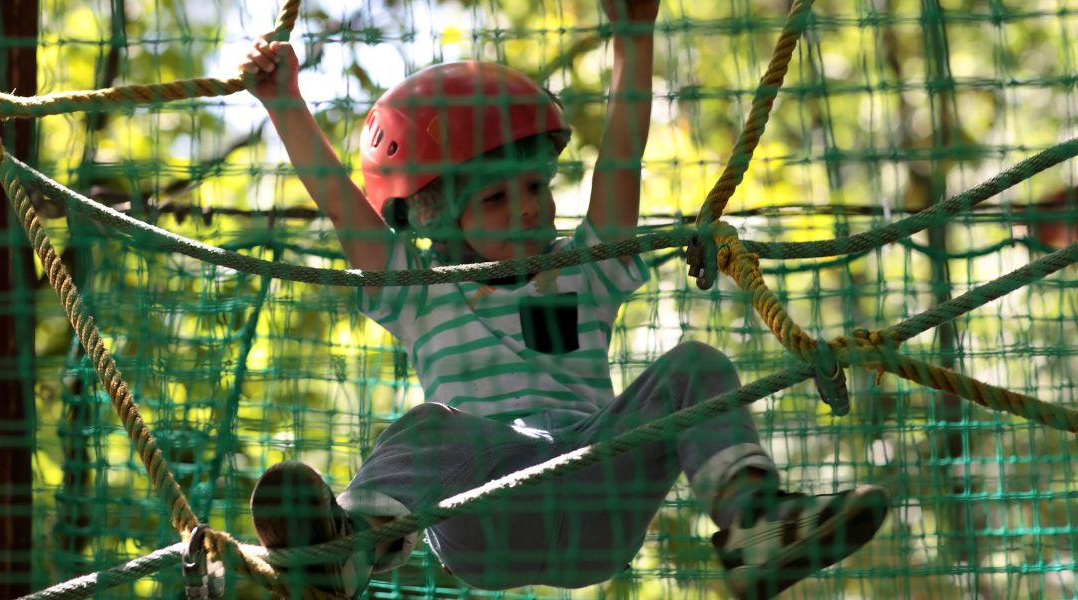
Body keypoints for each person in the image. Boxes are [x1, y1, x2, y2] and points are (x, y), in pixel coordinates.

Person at [239, 2, 888, 598]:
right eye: (496, 199)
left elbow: (620, 158)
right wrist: (284, 103)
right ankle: (340, 558)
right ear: (436, 222)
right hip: (483, 510)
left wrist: (633, 38)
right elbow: (340, 204)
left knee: (694, 366)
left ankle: (755, 523)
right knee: (427, 427)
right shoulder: (418, 293)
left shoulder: (584, 273)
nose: (527, 207)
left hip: (596, 488)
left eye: (536, 186)